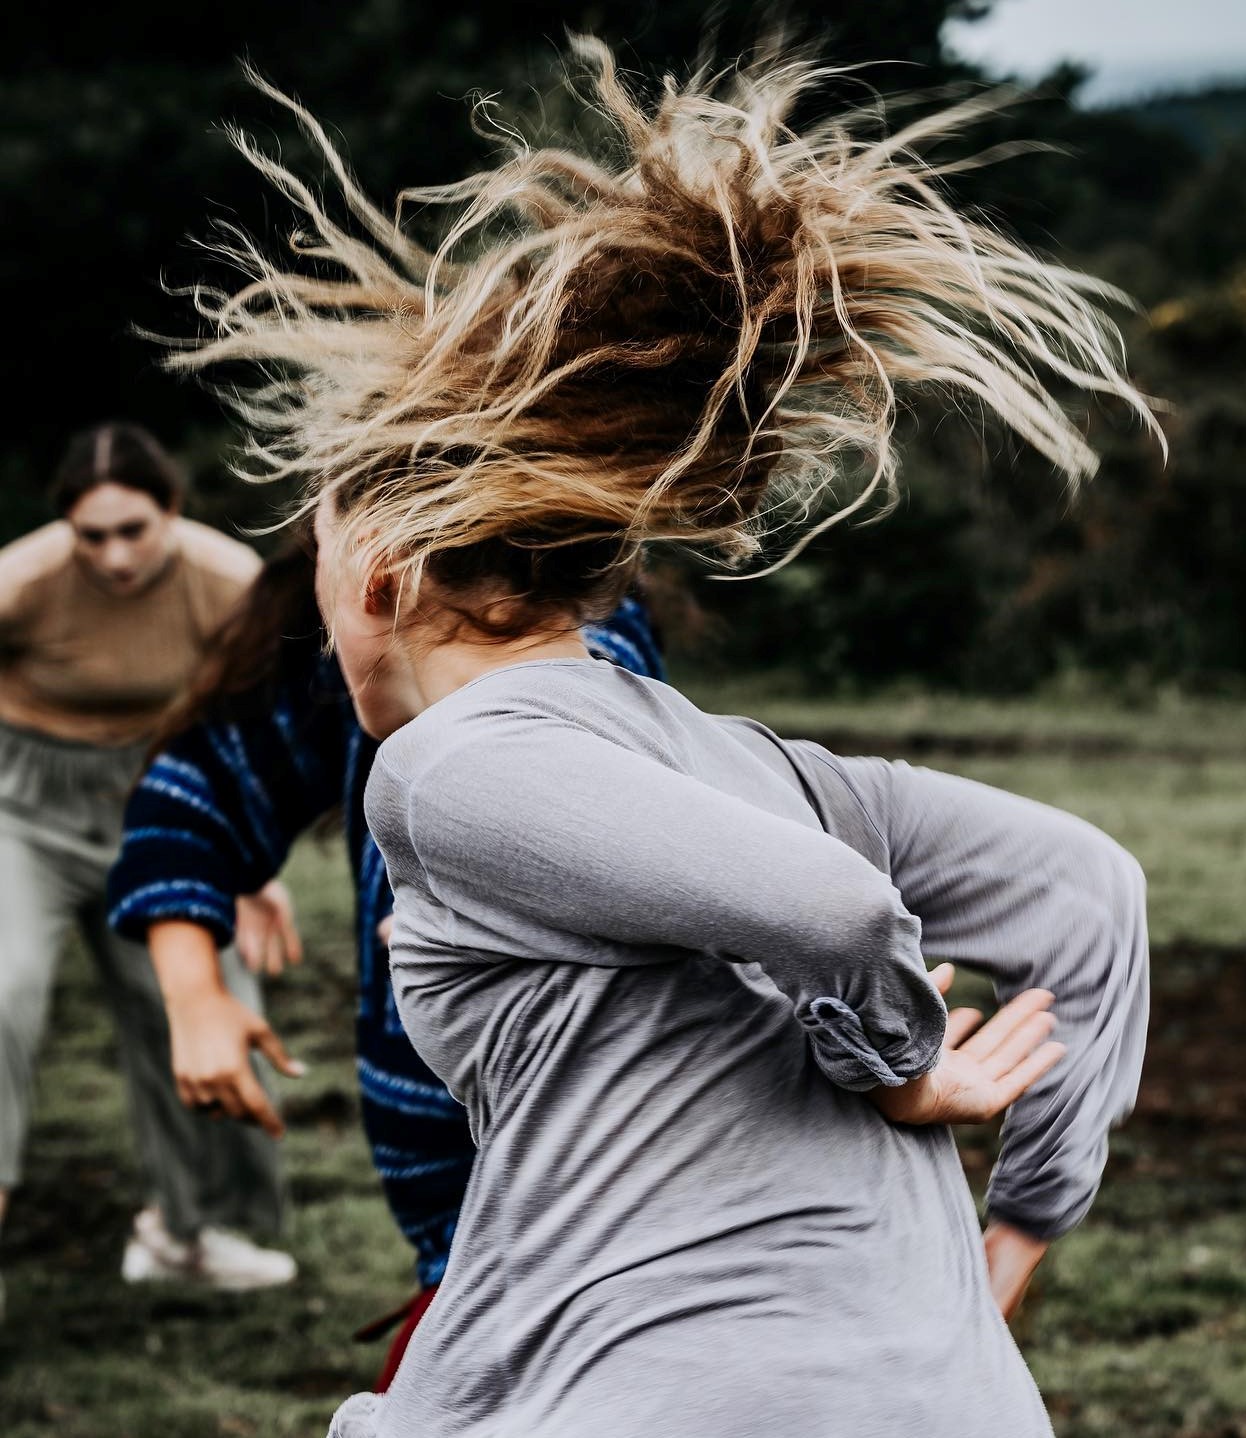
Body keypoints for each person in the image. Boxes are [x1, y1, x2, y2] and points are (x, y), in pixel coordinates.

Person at [170, 41, 1156, 1437]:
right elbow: (1087, 893)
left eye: (318, 566)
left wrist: (901, 1066)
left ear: (380, 573)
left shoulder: (444, 767)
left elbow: (833, 912)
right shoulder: (767, 771)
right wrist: (1022, 1226)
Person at [106, 537, 664, 1387]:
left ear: (385, 571)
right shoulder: (361, 672)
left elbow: (820, 914)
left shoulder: (597, 668)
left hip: (604, 1230)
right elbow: (196, 794)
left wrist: (503, 885)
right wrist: (193, 995)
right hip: (454, 1237)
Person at [0, 423, 298, 1305]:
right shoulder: (21, 582)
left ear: (172, 508)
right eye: (92, 536)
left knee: (202, 1008)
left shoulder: (226, 579)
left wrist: (253, 864)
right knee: (5, 990)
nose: (116, 555)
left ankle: (185, 1229)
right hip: (26, 810)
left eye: (133, 529)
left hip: (164, 800)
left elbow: (253, 723)